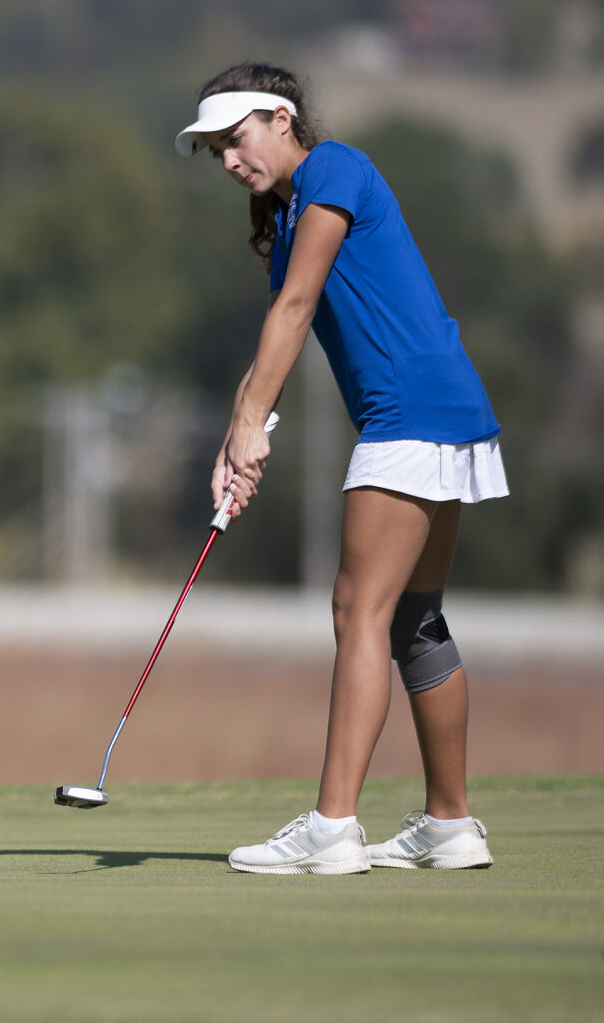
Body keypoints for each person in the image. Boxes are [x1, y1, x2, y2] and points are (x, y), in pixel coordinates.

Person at [175, 62, 505, 875]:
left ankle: (330, 827)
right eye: (215, 149)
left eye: (235, 138)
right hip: (448, 410)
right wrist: (236, 438)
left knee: (356, 608)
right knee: (412, 619)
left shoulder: (333, 168)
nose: (227, 161)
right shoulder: (290, 217)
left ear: (281, 117)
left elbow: (294, 308)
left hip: (407, 414)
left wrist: (252, 421)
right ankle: (449, 824)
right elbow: (278, 336)